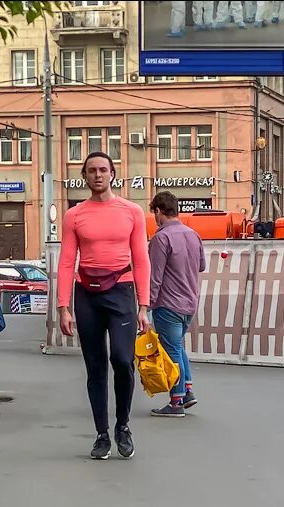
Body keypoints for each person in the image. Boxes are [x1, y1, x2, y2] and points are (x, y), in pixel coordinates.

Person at [57, 151, 150, 460]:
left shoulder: (131, 211)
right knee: (95, 367)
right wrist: (63, 307)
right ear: (84, 176)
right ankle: (102, 434)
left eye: (102, 170)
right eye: (91, 171)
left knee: (122, 361)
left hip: (122, 292)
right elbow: (68, 260)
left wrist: (144, 305)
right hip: (87, 296)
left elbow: (141, 259)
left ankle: (123, 425)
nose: (97, 175)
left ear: (113, 174)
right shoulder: (74, 215)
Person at [147, 192, 206, 418]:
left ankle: (176, 401)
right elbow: (201, 266)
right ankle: (188, 390)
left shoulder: (161, 238)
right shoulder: (193, 234)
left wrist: (147, 304)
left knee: (171, 350)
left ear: (158, 211)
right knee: (179, 346)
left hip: (168, 303)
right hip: (190, 302)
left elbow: (155, 276)